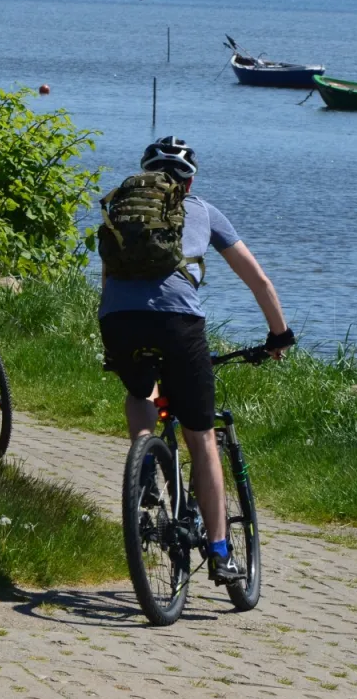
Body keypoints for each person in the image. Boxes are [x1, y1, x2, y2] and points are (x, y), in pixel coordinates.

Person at [98, 136, 294, 585]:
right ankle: (222, 553)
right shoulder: (204, 210)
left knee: (139, 389)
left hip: (118, 320)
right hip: (178, 323)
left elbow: (108, 278)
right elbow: (259, 280)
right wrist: (279, 334)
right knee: (201, 435)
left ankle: (144, 463)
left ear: (145, 175)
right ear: (189, 183)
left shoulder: (124, 211)